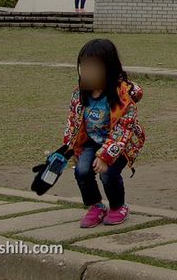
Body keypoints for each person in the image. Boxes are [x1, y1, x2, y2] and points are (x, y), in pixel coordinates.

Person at [60, 39, 146, 228]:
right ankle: (95, 206)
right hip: (91, 142)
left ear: (109, 68)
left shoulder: (122, 96)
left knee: (108, 174)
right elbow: (72, 122)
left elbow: (123, 129)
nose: (87, 72)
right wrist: (70, 148)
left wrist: (106, 156)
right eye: (84, 67)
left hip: (119, 145)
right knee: (82, 171)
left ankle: (118, 206)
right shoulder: (79, 94)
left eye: (94, 67)